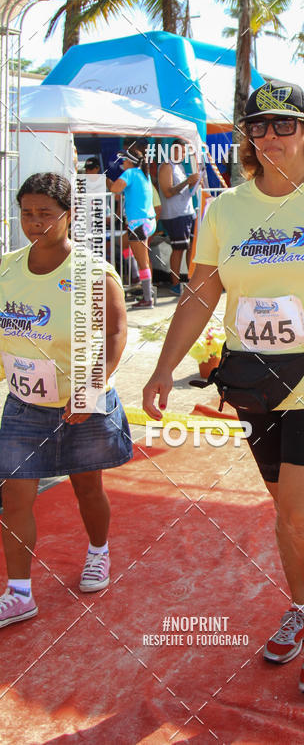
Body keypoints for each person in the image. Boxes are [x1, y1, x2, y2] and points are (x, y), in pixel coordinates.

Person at [142, 80, 304, 694]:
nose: (270, 138)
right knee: (284, 517)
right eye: (258, 127)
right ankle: (300, 604)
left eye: (285, 126)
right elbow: (202, 293)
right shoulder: (225, 208)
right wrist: (161, 368)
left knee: (302, 511)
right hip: (255, 381)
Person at [0, 173, 131, 628]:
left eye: (45, 213)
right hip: (23, 406)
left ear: (68, 215)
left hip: (81, 402)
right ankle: (18, 592)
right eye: (27, 213)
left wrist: (90, 389)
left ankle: (99, 552)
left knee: (87, 489)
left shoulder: (91, 273)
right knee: (14, 497)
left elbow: (114, 332)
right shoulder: (6, 268)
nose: (34, 223)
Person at [107, 139, 156, 309]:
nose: (122, 163)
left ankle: (147, 298)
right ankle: (137, 280)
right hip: (148, 222)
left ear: (130, 162)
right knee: (125, 245)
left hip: (139, 223)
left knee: (143, 262)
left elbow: (114, 189)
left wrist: (106, 180)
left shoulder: (130, 173)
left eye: (124, 160)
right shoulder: (144, 174)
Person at [158, 139, 199, 296]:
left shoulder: (179, 166)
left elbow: (182, 189)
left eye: (184, 152)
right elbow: (168, 192)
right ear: (171, 150)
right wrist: (187, 182)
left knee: (190, 247)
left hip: (187, 212)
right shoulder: (167, 166)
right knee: (179, 248)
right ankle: (175, 284)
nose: (182, 154)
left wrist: (192, 184)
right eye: (179, 151)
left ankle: (190, 280)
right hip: (175, 214)